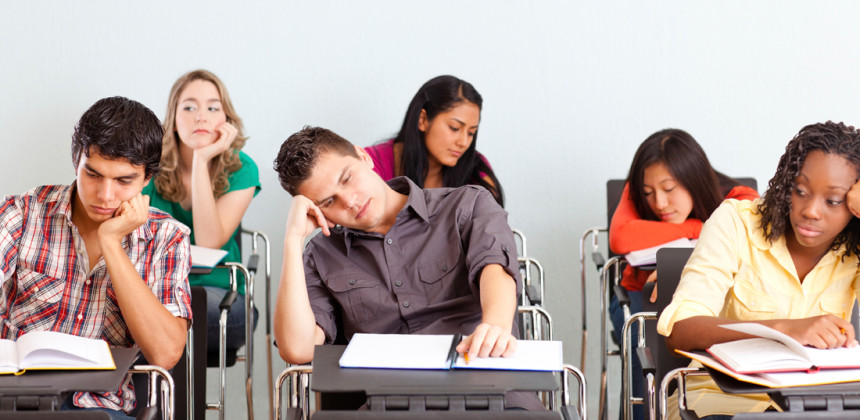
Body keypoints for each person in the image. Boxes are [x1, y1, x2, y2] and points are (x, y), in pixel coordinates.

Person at [272, 126, 542, 410]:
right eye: (329, 202)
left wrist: (496, 324)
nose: (350, 201)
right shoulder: (321, 255)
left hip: (491, 391)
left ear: (363, 157)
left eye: (347, 178)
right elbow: (297, 349)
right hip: (390, 406)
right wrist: (293, 239)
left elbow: (494, 268)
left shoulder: (467, 205)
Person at [0, 97, 192, 419]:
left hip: (99, 409)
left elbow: (165, 352)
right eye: (93, 175)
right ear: (76, 160)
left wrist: (112, 243)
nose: (105, 195)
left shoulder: (167, 237)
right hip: (12, 400)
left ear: (147, 179)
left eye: (123, 181)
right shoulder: (22, 212)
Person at [657, 121, 860, 419]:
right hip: (718, 399)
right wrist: (784, 329)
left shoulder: (853, 245)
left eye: (832, 201)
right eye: (800, 190)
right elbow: (680, 331)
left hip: (818, 406)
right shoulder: (736, 223)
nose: (811, 211)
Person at [608, 128, 759, 420]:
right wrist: (698, 227)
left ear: (692, 178)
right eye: (649, 193)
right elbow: (621, 238)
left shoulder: (739, 198)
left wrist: (678, 267)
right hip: (640, 294)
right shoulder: (642, 184)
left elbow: (752, 245)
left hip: (715, 298)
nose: (659, 203)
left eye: (669, 189)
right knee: (646, 348)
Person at [143, 70, 260, 356]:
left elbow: (208, 241)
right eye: (189, 107)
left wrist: (201, 158)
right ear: (172, 118)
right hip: (156, 290)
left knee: (165, 319)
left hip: (219, 295)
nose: (201, 116)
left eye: (212, 107)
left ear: (226, 119)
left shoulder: (242, 168)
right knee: (143, 315)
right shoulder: (149, 166)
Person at [364, 75, 505, 206]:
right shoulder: (370, 163)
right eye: (454, 128)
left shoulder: (476, 170)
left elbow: (491, 227)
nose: (463, 143)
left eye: (471, 132)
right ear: (423, 120)